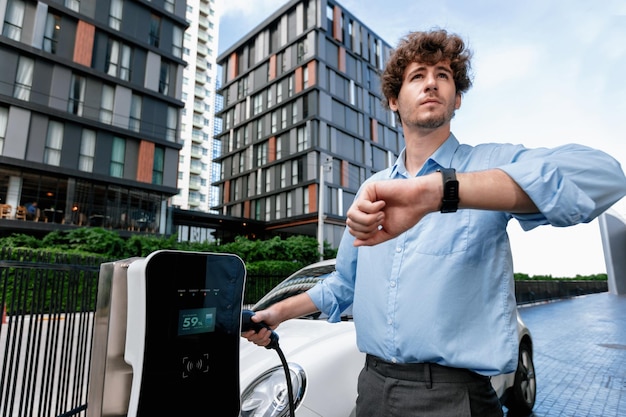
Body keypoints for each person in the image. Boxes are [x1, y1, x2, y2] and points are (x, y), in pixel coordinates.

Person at [242, 29, 626, 416]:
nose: (431, 83)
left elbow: (606, 176)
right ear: (394, 99)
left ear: (457, 98)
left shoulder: (489, 164)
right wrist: (274, 313)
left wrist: (441, 191)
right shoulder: (373, 188)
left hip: (454, 397)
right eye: (417, 75)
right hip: (371, 389)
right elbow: (344, 283)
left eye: (443, 75)